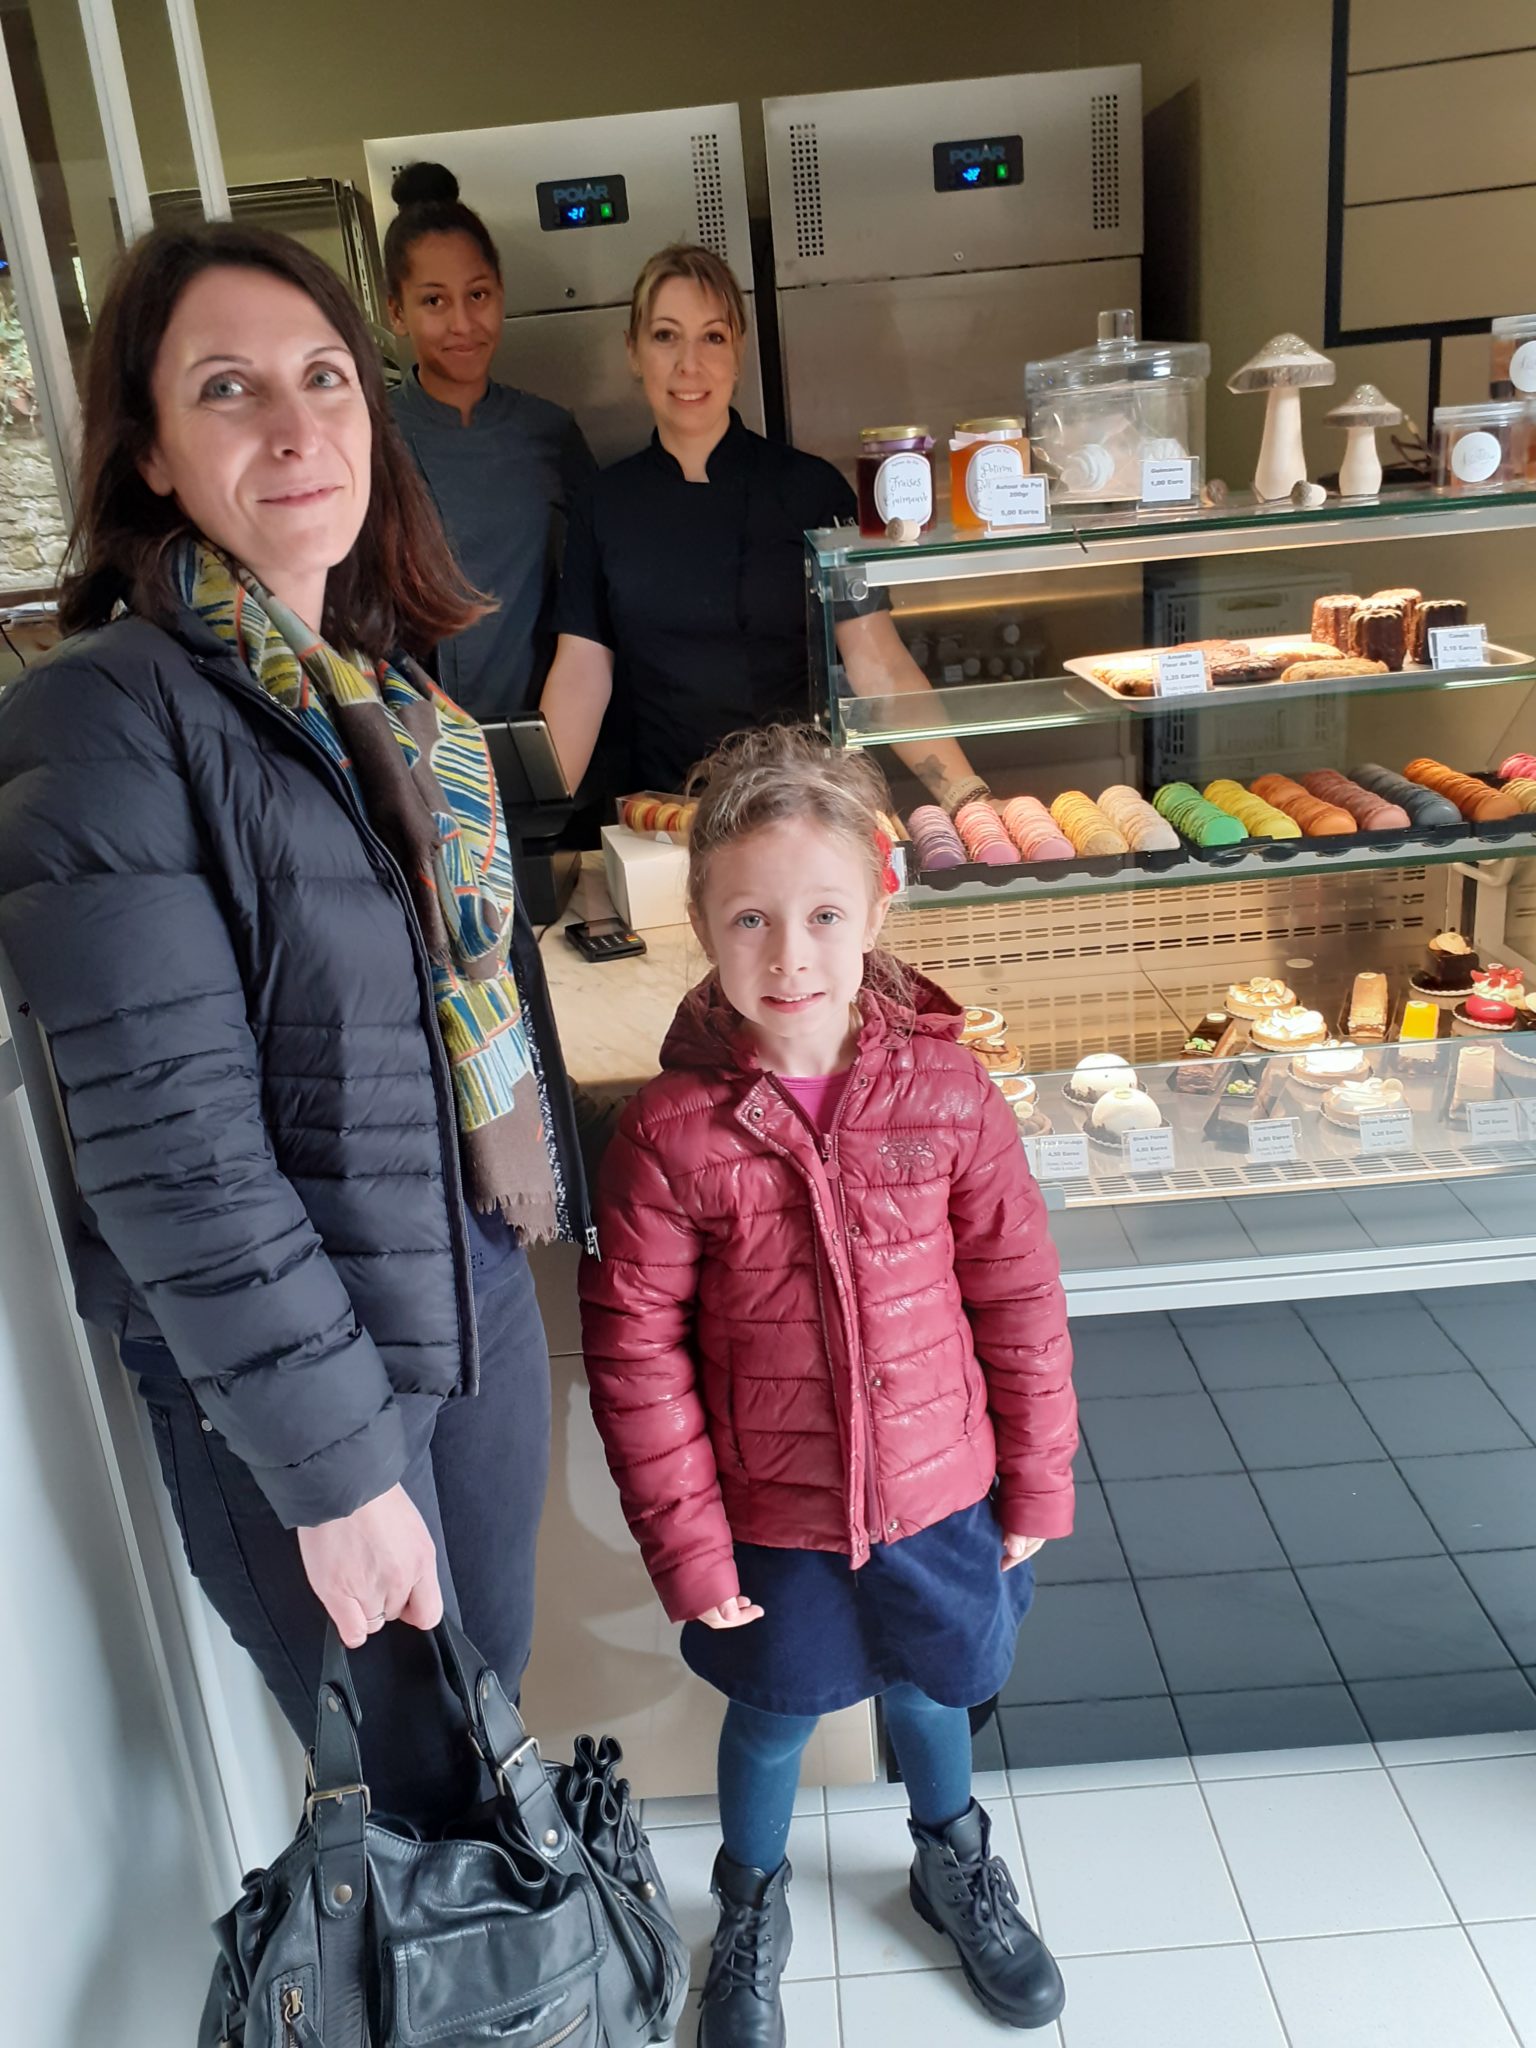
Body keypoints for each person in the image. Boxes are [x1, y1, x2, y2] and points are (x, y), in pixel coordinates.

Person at [0, 223, 590, 1824]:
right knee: (413, 1796)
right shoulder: (103, 717)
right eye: (226, 387)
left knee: (486, 1728)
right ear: (150, 454)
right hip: (309, 1368)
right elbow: (173, 1148)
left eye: (324, 377)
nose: (292, 424)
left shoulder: (384, 695)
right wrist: (335, 1476)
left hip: (464, 1291)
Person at [580, 726, 1076, 2041]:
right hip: (772, 1519)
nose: (789, 953)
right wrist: (690, 1549)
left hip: (942, 1493)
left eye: (821, 914)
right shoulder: (668, 1135)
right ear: (701, 923)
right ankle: (748, 1906)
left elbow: (1019, 1299)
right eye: (750, 917)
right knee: (770, 1715)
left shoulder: (952, 1096)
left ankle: (952, 1861)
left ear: (876, 909)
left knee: (931, 1692)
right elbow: (636, 1359)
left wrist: (1035, 1476)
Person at [540, 244, 988, 815]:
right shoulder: (604, 504)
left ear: (738, 352)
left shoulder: (811, 490)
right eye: (665, 336)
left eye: (712, 337)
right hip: (669, 821)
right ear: (633, 351)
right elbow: (581, 675)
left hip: (804, 812)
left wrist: (966, 797)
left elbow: (879, 665)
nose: (689, 364)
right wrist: (517, 831)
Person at [384, 161, 596, 722]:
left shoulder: (549, 431)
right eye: (434, 301)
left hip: (545, 727)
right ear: (396, 312)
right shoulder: (368, 435)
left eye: (477, 295)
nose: (462, 323)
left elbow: (597, 590)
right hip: (412, 737)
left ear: (501, 294)